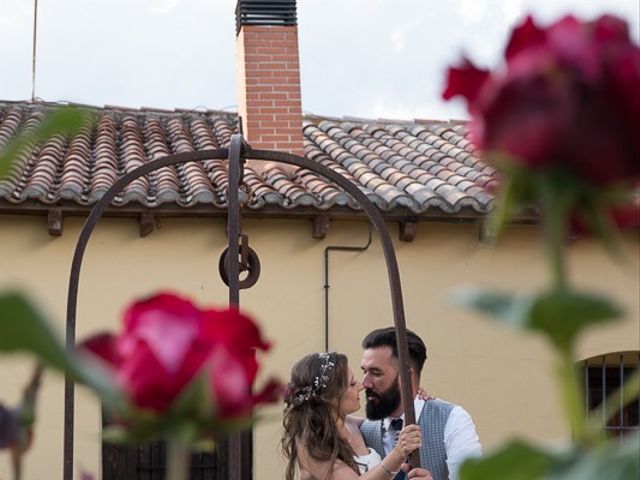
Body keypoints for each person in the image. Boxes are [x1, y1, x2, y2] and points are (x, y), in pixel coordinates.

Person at [282, 352, 434, 479]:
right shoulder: (309, 443)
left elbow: (390, 421)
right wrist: (398, 453)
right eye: (353, 383)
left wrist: (411, 398)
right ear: (331, 396)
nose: (361, 386)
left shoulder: (353, 425)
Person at [360, 328, 482, 480]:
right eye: (364, 371)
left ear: (406, 377)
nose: (365, 383)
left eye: (376, 373)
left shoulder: (452, 419)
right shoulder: (362, 431)